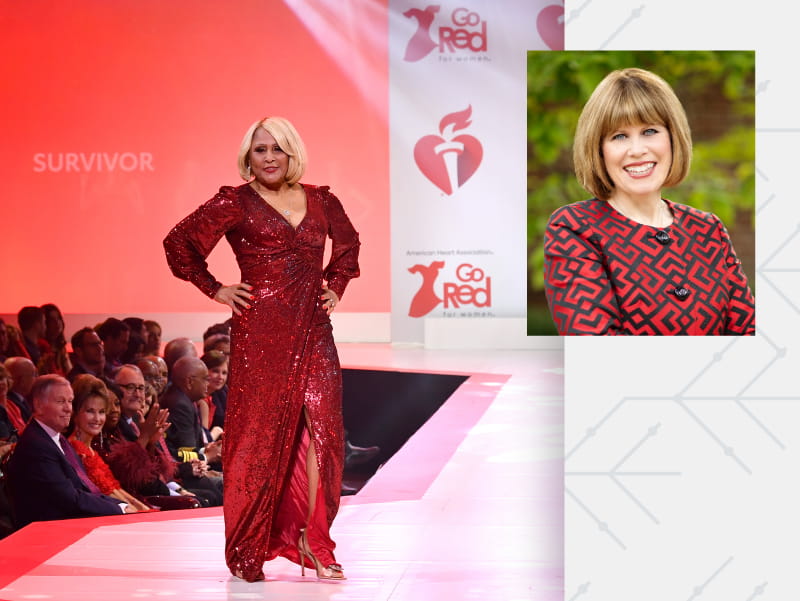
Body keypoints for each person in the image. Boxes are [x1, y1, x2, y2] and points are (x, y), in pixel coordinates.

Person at [163, 116, 360, 582]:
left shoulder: (322, 199)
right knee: (259, 440)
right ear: (248, 156)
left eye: (278, 149)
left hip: (313, 331)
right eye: (260, 150)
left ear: (293, 153)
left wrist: (335, 285)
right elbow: (179, 244)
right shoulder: (234, 202)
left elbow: (348, 247)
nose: (269, 157)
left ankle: (316, 541)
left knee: (324, 436)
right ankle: (251, 544)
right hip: (261, 335)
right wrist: (214, 288)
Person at [543, 67, 755, 335]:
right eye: (619, 136)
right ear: (598, 149)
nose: (637, 150)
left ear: (673, 138)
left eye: (650, 131)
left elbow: (749, 334)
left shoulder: (708, 229)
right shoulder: (574, 229)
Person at [5, 375, 134, 528]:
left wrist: (120, 504)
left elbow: (84, 489)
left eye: (70, 401)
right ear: (38, 405)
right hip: (49, 535)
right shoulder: (35, 446)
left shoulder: (56, 439)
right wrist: (118, 508)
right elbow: (69, 498)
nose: (68, 409)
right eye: (60, 401)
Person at [66, 374, 153, 512]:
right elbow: (106, 493)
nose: (97, 419)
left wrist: (144, 510)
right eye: (90, 411)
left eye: (101, 412)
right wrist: (139, 512)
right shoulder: (76, 449)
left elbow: (115, 488)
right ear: (75, 413)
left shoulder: (91, 450)